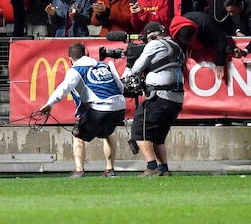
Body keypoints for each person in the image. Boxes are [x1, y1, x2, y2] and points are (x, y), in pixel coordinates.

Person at [39, 42, 126, 178]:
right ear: (86, 53)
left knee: (77, 136)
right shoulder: (103, 65)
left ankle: (79, 170)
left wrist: (50, 104)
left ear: (70, 58)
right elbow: (120, 86)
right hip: (120, 107)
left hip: (100, 108)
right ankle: (110, 170)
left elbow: (65, 87)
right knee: (106, 134)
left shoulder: (76, 70)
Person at [126, 21, 185, 177]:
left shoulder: (154, 45)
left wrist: (128, 68)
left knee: (139, 131)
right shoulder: (177, 46)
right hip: (176, 99)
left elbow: (136, 69)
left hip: (158, 96)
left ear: (150, 35)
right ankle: (164, 169)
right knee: (158, 137)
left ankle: (152, 167)